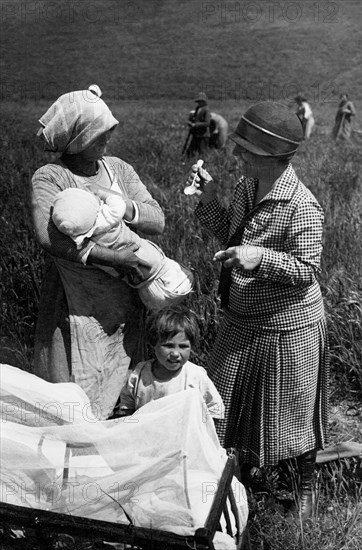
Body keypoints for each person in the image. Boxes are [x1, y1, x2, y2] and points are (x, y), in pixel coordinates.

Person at [188, 101, 329, 520]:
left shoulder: (302, 206)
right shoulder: (249, 187)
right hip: (244, 317)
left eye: (244, 150)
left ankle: (305, 486)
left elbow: (306, 269)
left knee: (293, 408)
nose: (235, 155)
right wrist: (210, 199)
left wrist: (260, 258)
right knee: (223, 397)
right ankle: (238, 476)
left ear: (268, 154)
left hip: (289, 327)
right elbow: (235, 236)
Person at [31, 85, 165, 420]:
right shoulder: (51, 177)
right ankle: (71, 470)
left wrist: (123, 205)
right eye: (99, 131)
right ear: (77, 137)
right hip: (74, 302)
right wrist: (114, 258)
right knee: (72, 397)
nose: (109, 136)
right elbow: (50, 241)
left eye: (109, 128)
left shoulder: (118, 169)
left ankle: (111, 468)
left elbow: (156, 219)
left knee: (120, 390)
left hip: (123, 298)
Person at [51, 187, 194, 312]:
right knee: (161, 271)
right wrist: (100, 192)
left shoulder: (79, 239)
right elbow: (117, 203)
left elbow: (75, 248)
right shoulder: (107, 218)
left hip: (124, 278)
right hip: (149, 273)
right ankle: (160, 293)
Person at [118, 307, 224, 420]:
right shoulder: (140, 373)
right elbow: (127, 406)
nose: (175, 353)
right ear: (153, 344)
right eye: (168, 346)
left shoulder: (196, 376)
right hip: (146, 434)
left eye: (183, 346)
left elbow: (214, 409)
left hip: (183, 435)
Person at [186, 92, 211, 156]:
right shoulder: (197, 108)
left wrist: (196, 124)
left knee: (202, 152)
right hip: (196, 133)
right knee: (190, 151)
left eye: (201, 101)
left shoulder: (206, 110)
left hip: (203, 135)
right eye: (198, 101)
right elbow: (195, 118)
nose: (199, 103)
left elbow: (207, 123)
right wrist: (191, 121)